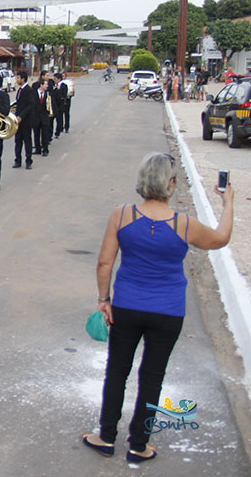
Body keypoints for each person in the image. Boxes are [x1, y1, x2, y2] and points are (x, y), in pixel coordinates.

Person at [82, 153, 234, 463]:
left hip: (126, 305)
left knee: (117, 371)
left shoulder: (121, 215)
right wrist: (228, 202)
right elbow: (220, 239)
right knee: (152, 377)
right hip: (168, 311)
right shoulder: (184, 224)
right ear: (172, 184)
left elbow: (104, 262)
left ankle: (106, 437)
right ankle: (139, 446)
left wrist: (103, 299)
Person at [12, 71, 35, 170]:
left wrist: (21, 116)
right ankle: (17, 160)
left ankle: (28, 161)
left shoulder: (28, 90)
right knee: (18, 141)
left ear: (23, 79)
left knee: (27, 141)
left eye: (18, 78)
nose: (17, 80)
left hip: (25, 120)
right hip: (18, 120)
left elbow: (30, 105)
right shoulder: (20, 90)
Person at [32, 78, 52, 156]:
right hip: (36, 117)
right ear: (41, 85)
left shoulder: (48, 94)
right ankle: (38, 149)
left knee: (45, 134)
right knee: (36, 133)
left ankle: (45, 149)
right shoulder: (33, 93)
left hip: (44, 117)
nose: (47, 86)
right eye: (46, 84)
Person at [53, 73, 68, 137]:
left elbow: (64, 96)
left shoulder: (63, 86)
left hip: (60, 105)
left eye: (55, 79)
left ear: (59, 79)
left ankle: (58, 132)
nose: (54, 80)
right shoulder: (53, 85)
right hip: (54, 105)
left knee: (59, 119)